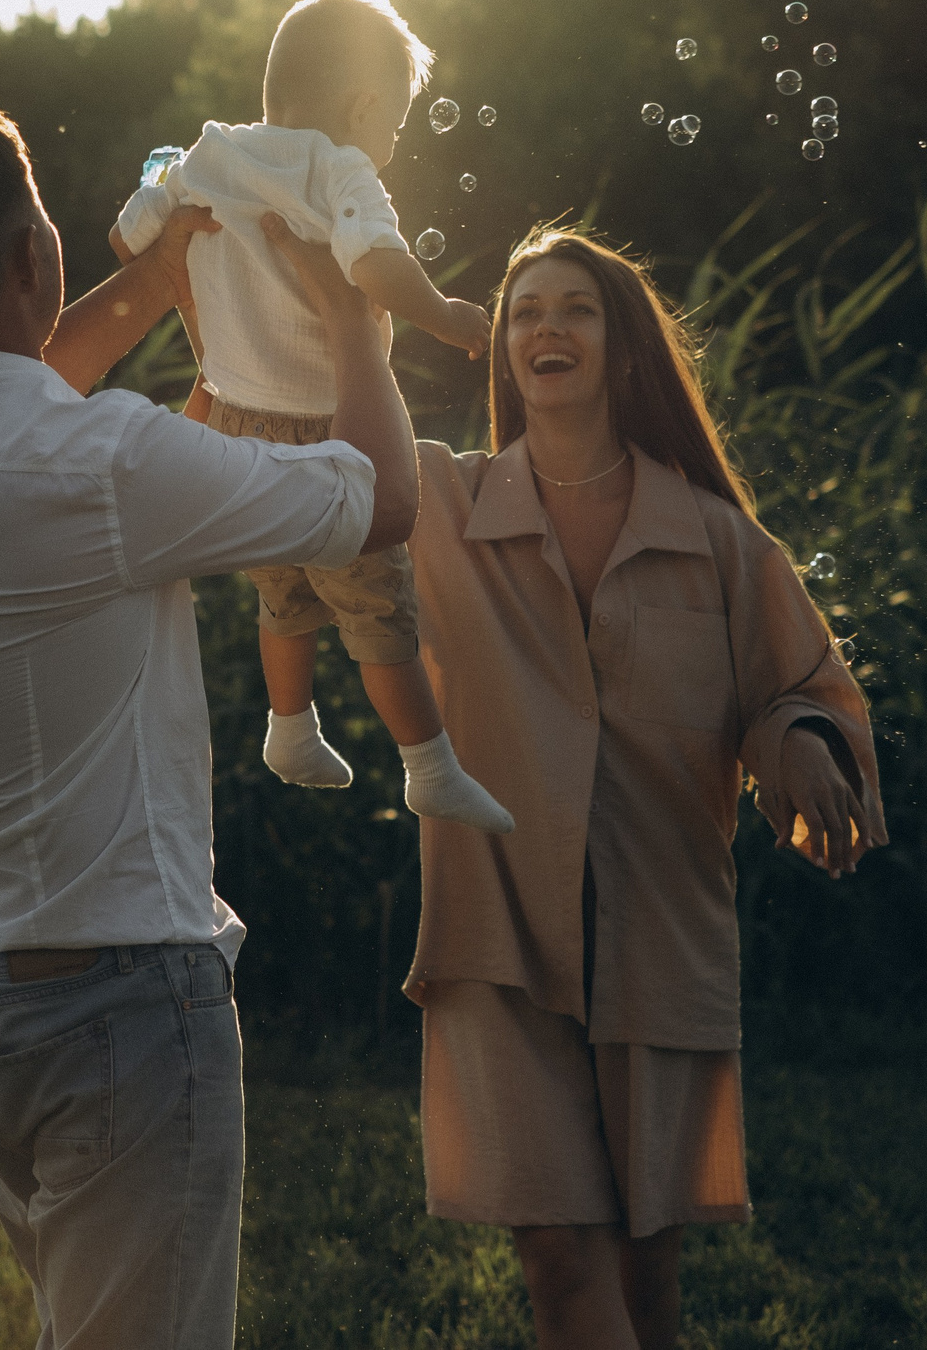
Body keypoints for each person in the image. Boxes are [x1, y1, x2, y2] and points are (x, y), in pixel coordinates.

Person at [0, 103, 421, 1350]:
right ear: (33, 252)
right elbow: (383, 499)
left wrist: (164, 268)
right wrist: (353, 315)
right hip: (115, 1003)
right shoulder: (106, 465)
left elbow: (27, 389)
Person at [292, 222, 888, 1350]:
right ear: (502, 349)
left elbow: (800, 686)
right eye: (523, 311)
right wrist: (332, 293)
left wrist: (801, 737)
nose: (545, 328)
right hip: (498, 932)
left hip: (658, 928)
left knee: (647, 1278)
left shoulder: (715, 538)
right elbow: (324, 456)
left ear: (623, 350)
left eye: (575, 309)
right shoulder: (441, 503)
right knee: (563, 1265)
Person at [111, 0, 513, 834]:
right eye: (393, 124)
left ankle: (289, 728)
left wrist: (185, 232)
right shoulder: (337, 168)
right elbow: (374, 267)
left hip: (233, 422)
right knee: (377, 604)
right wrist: (444, 315)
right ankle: (428, 769)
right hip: (330, 428)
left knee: (284, 592)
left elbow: (127, 239)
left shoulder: (206, 153)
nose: (390, 146)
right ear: (363, 106)